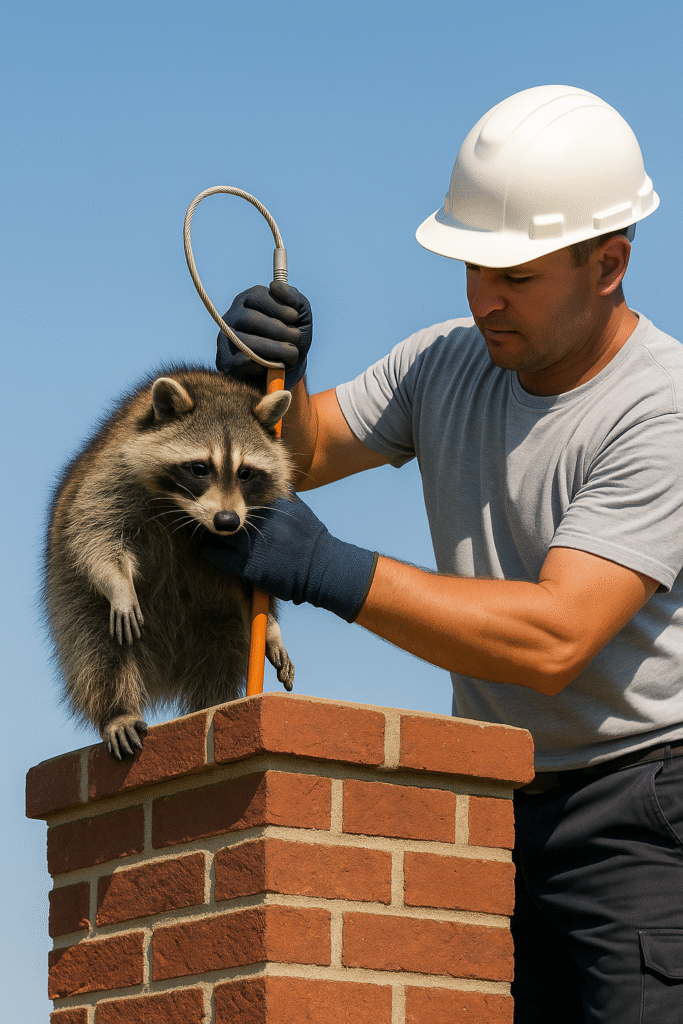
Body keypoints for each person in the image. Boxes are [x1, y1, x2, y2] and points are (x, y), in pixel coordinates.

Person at [201, 85, 683, 1022]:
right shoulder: (445, 361)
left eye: (516, 277)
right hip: (495, 800)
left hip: (642, 812)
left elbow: (553, 641)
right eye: (471, 266)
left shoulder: (659, 412)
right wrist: (265, 384)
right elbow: (298, 452)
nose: (483, 299)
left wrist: (330, 570)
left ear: (608, 264)